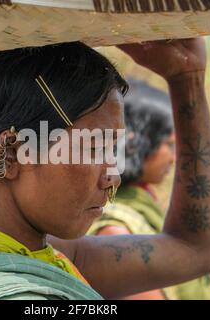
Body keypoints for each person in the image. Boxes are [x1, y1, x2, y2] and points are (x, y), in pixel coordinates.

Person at [0, 39, 210, 300]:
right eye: (92, 149)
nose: (112, 175)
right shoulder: (15, 292)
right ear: (12, 154)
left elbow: (194, 250)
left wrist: (187, 77)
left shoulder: (45, 258)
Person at [88, 78, 176, 299]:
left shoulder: (143, 208)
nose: (174, 158)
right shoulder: (116, 229)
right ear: (141, 142)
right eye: (169, 144)